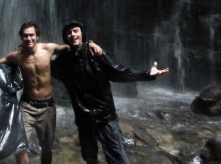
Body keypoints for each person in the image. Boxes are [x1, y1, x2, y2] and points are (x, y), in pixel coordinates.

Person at [51, 21, 169, 164]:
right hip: (83, 119)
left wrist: (146, 74)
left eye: (76, 31)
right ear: (65, 38)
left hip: (105, 116)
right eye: (69, 33)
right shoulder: (64, 61)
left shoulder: (96, 54)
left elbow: (119, 72)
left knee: (118, 158)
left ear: (82, 33)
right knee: (89, 157)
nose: (73, 35)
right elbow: (44, 63)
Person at [0, 21, 102, 164]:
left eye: (31, 35)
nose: (29, 38)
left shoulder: (48, 48)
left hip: (47, 107)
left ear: (37, 36)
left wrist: (91, 43)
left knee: (47, 148)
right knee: (19, 146)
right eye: (25, 36)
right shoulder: (16, 56)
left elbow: (72, 45)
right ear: (21, 37)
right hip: (26, 106)